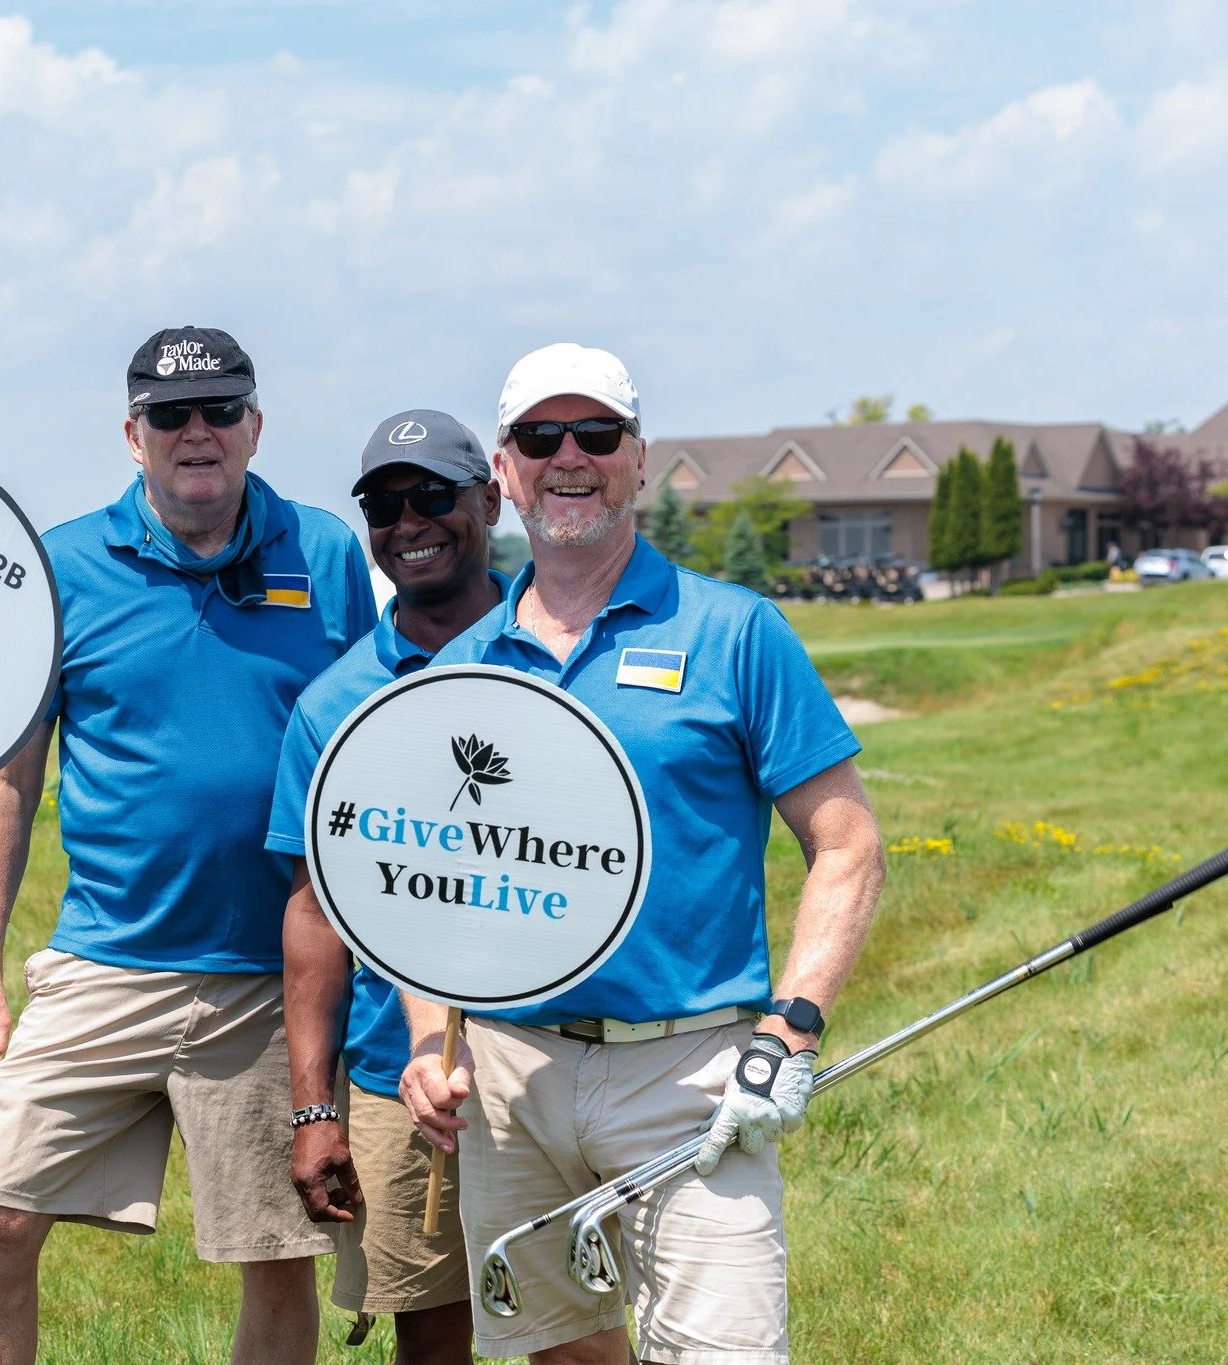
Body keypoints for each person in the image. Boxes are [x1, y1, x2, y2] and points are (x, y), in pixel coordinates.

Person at [400, 343, 886, 1365]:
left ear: (637, 456)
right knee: (564, 1352)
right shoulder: (463, 665)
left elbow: (844, 845)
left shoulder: (734, 632)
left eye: (594, 434)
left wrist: (791, 1030)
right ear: (503, 468)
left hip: (690, 1065)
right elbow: (427, 887)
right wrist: (424, 1042)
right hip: (509, 1072)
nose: (566, 456)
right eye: (540, 437)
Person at [0, 326, 379, 1365]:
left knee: (275, 1251)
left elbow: (373, 752)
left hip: (272, 975)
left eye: (220, 411)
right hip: (104, 959)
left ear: (255, 427)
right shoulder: (58, 566)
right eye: (171, 415)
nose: (197, 433)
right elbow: (9, 779)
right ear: (131, 434)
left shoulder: (320, 553)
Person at [271, 411, 506, 1364]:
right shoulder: (334, 702)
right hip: (402, 1070)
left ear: (490, 499)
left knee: (583, 1325)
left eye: (434, 496)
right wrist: (315, 1109)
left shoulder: (570, 648)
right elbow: (316, 909)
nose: (410, 520)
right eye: (385, 503)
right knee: (433, 1331)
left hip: (572, 1056)